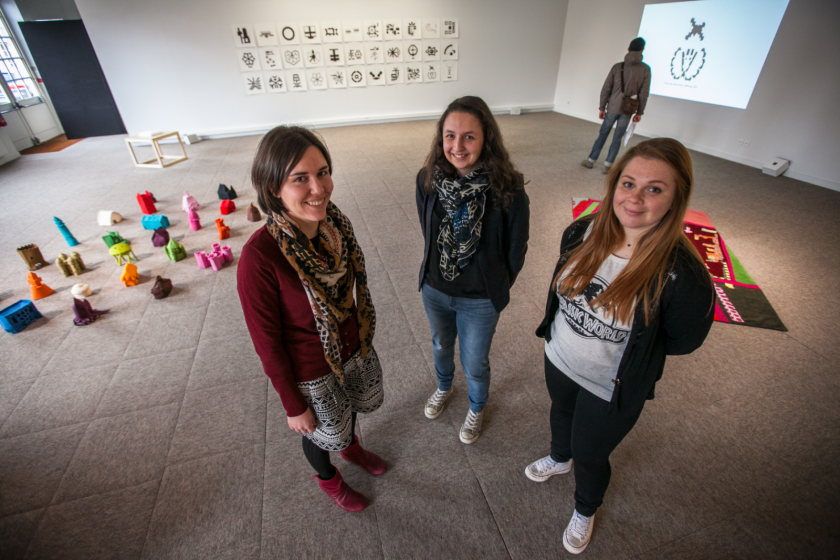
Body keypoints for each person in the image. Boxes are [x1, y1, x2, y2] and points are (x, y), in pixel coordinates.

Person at [528, 138, 715, 554]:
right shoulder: (581, 232)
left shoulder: (683, 276)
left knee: (591, 454)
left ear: (675, 198)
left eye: (655, 189)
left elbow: (684, 340)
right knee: (561, 414)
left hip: (612, 386)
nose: (635, 199)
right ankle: (559, 459)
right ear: (613, 184)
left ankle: (585, 507)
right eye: (628, 183)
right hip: (559, 356)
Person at [238, 126, 386, 513]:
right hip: (311, 371)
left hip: (352, 348)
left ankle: (351, 448)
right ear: (274, 189)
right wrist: (292, 404)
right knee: (321, 434)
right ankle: (329, 479)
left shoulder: (335, 225)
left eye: (322, 172)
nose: (318, 188)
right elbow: (266, 343)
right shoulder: (260, 256)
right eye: (300, 178)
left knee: (350, 410)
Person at [416, 96, 530, 444]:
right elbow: (428, 232)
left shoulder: (508, 190)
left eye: (469, 136)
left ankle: (477, 407)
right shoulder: (427, 179)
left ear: (486, 139)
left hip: (480, 298)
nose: (457, 146)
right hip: (435, 289)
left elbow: (516, 249)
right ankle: (444, 387)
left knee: (475, 361)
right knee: (440, 344)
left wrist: (496, 284)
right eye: (449, 136)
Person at [582, 37, 651, 174]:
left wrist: (602, 107)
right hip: (628, 109)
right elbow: (644, 93)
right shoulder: (645, 69)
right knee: (617, 137)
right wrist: (639, 112)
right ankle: (608, 165)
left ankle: (591, 160)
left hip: (613, 106)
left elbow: (606, 88)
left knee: (603, 134)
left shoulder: (617, 67)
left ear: (628, 49)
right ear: (642, 50)